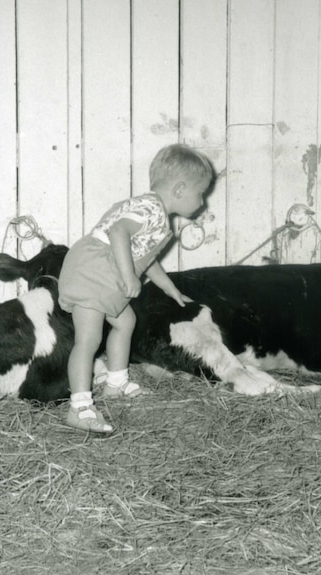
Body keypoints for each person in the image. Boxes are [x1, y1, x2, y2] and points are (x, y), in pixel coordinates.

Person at [58, 144, 214, 433]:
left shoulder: (156, 215)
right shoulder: (150, 209)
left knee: (125, 321)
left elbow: (146, 258)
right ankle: (78, 407)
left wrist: (170, 289)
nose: (202, 201)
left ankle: (116, 384)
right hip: (93, 272)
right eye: (199, 192)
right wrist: (130, 277)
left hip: (104, 274)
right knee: (88, 339)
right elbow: (118, 232)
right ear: (179, 190)